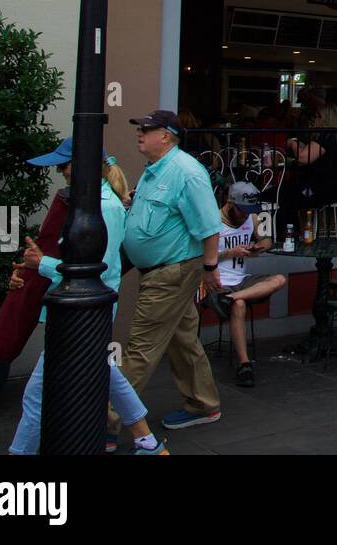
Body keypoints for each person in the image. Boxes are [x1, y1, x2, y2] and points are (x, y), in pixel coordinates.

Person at [9, 141, 167, 455]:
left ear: (83, 167)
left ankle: (20, 453)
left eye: (64, 164)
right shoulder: (93, 204)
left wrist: (40, 264)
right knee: (107, 372)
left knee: (37, 393)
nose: (60, 171)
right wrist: (36, 265)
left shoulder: (102, 208)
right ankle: (147, 441)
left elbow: (96, 267)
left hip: (82, 313)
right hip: (84, 310)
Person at [114, 110, 223, 439]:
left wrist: (210, 267)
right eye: (140, 127)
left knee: (141, 348)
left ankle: (104, 421)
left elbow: (208, 225)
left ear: (167, 136)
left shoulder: (186, 172)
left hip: (171, 273)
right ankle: (204, 403)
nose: (139, 133)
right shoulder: (155, 170)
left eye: (147, 129)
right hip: (159, 271)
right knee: (182, 339)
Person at [204, 183, 287, 388]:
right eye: (242, 211)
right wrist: (230, 253)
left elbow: (267, 240)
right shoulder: (213, 222)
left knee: (279, 279)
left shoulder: (252, 217)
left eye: (248, 212)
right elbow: (201, 259)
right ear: (230, 202)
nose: (244, 216)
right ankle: (244, 364)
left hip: (242, 281)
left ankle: (232, 298)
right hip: (218, 283)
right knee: (239, 306)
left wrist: (258, 247)